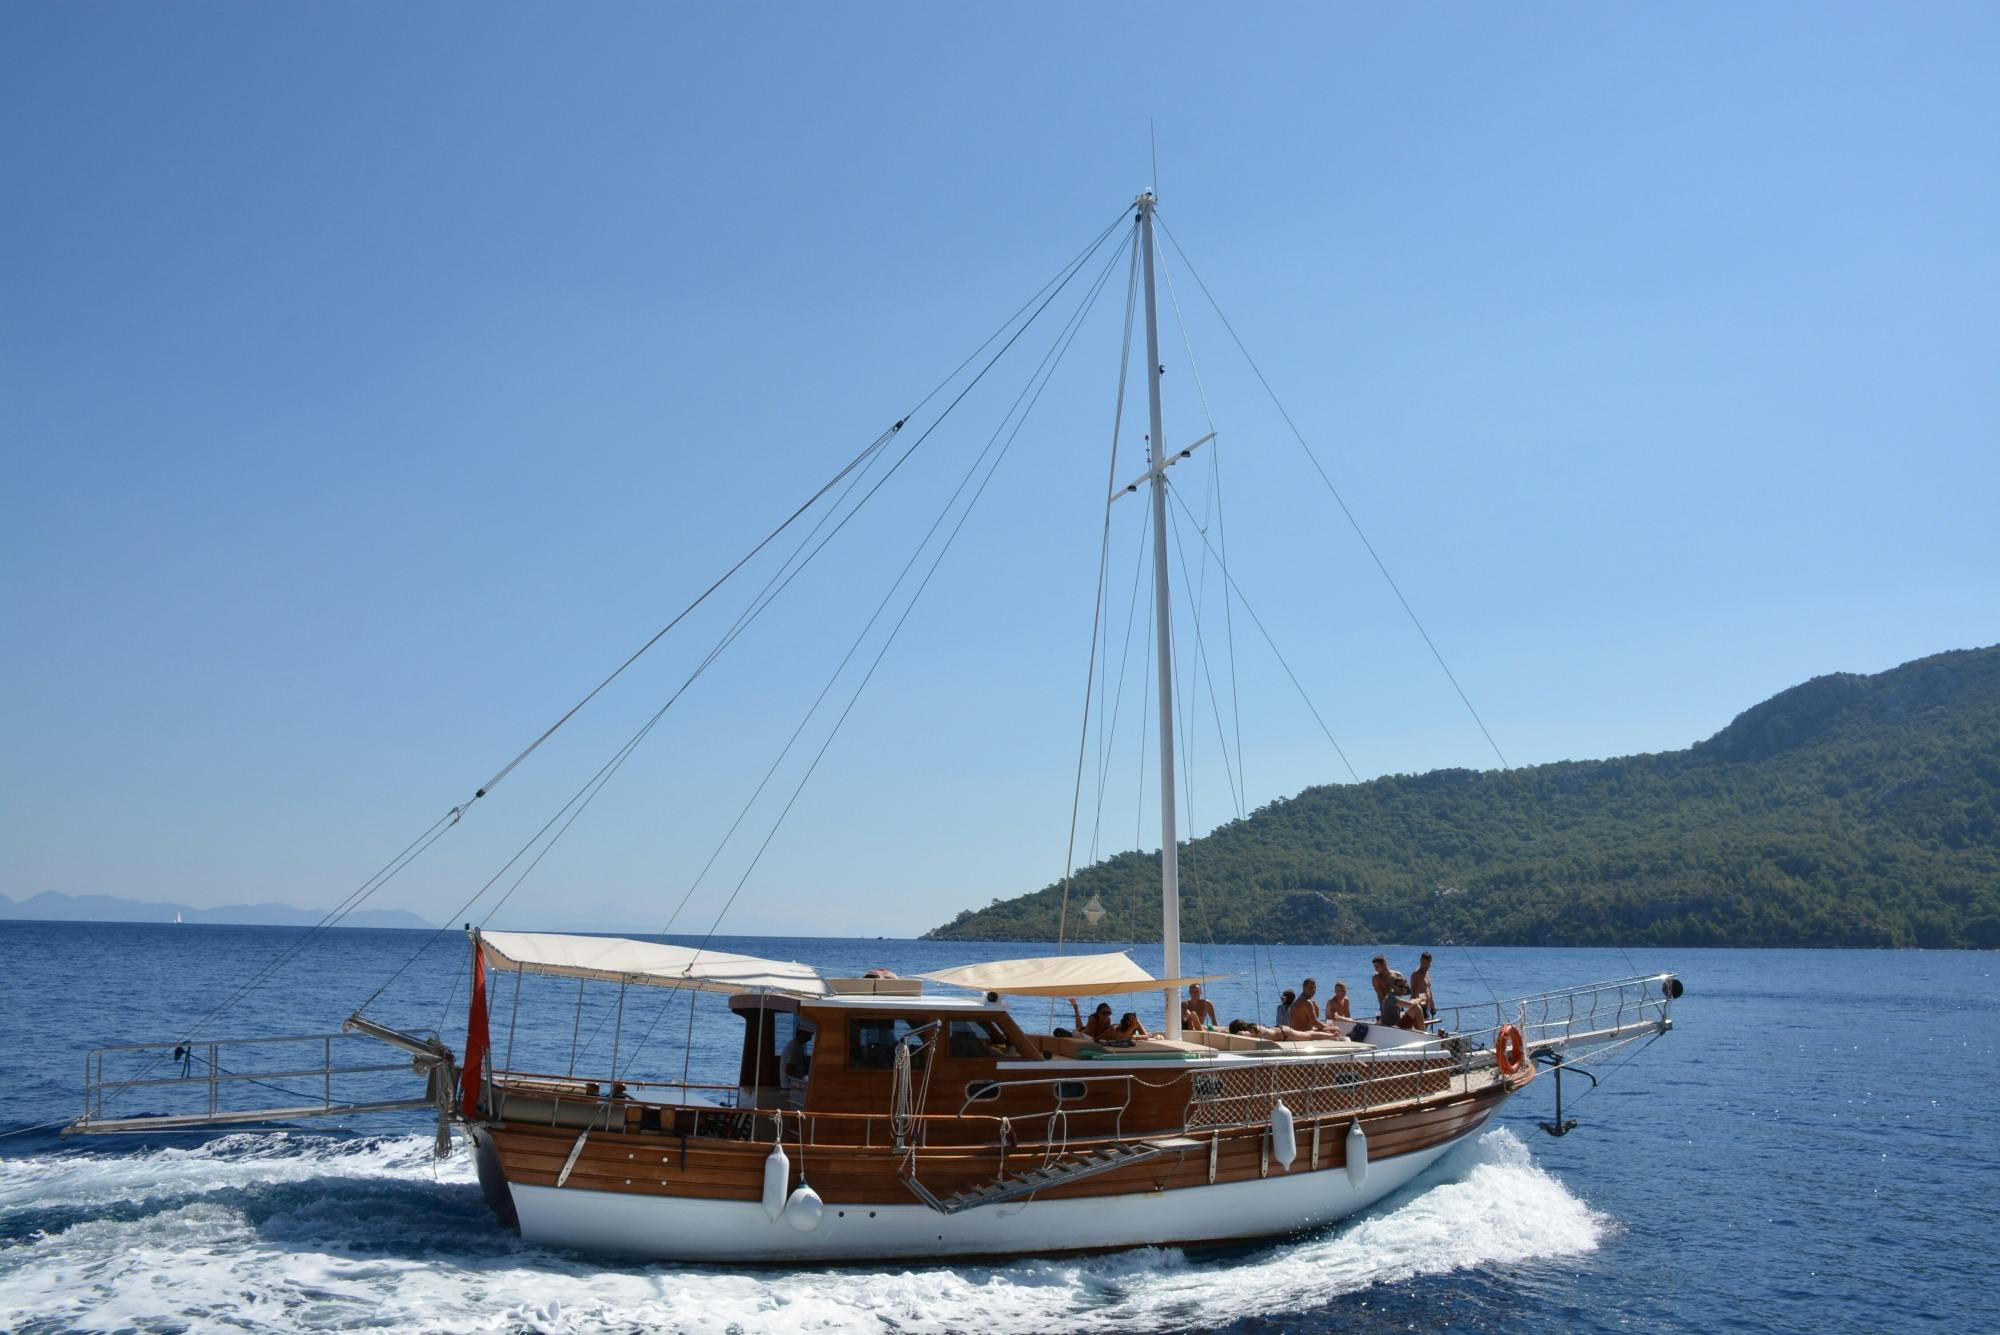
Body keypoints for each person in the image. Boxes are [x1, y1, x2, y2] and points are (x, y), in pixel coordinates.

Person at [1228, 1019, 1346, 1042]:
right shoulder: (1251, 1027)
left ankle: (1332, 1036)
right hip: (1280, 1030)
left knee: (1309, 1037)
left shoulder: (1247, 1032)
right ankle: (1329, 1031)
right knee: (1306, 1034)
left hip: (1284, 1033)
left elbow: (1240, 1035)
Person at [1408, 952, 1436, 1018]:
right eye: (1424, 963)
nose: (1426, 965)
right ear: (1420, 961)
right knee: (1420, 1028)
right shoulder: (1416, 974)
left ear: (1431, 962)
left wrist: (1432, 1006)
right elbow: (1413, 993)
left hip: (1427, 1006)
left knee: (1425, 1027)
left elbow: (1428, 990)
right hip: (1420, 1006)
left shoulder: (1427, 973)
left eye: (1428, 963)